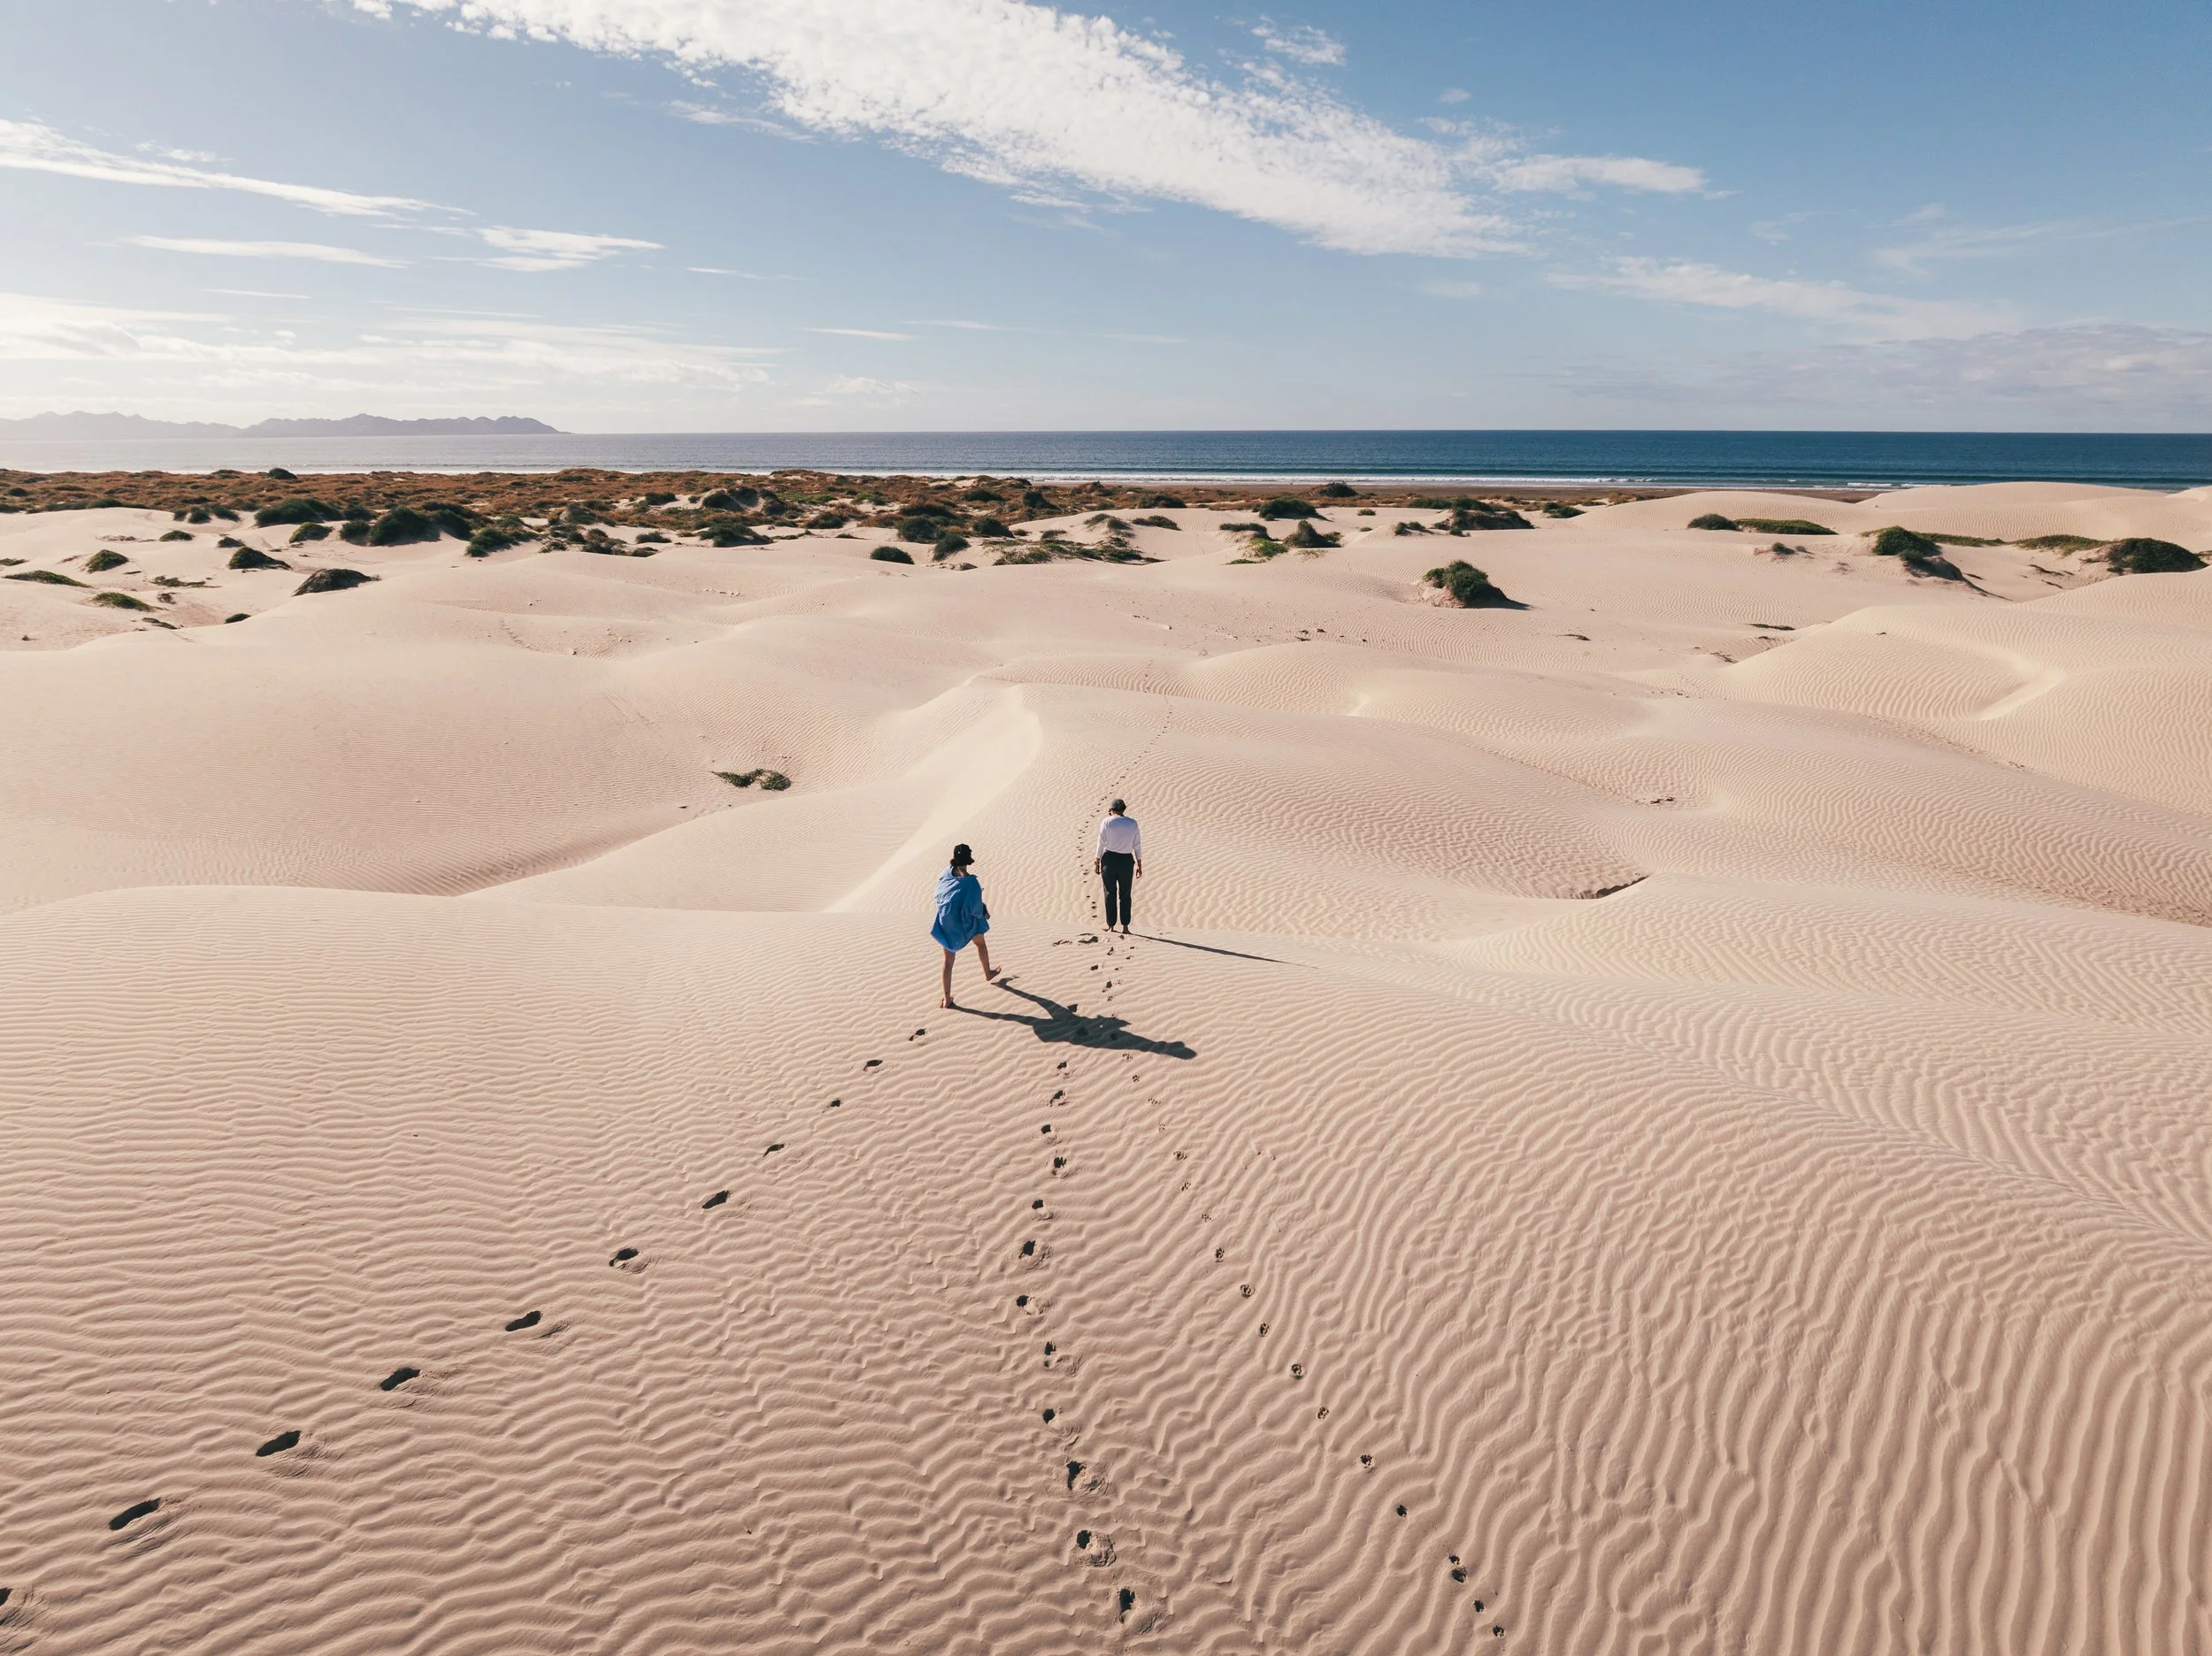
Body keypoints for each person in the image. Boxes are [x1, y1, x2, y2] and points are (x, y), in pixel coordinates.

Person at [932, 843, 998, 1007]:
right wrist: (984, 912)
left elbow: (939, 894)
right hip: (964, 924)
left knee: (948, 961)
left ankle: (947, 999)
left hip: (946, 922)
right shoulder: (971, 883)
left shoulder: (946, 873)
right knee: (980, 943)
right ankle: (988, 973)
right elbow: (975, 910)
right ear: (968, 860)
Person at [1094, 798, 1141, 935]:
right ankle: (1125, 927)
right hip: (1126, 861)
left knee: (1110, 893)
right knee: (1125, 894)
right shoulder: (1133, 823)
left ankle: (1111, 926)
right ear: (1123, 809)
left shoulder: (1106, 821)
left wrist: (1096, 861)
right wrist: (1139, 864)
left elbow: (1101, 843)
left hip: (1109, 860)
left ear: (1111, 810)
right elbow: (1137, 845)